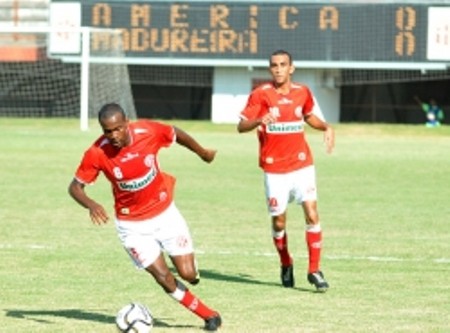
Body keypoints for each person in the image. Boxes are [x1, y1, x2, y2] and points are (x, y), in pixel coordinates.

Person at [68, 103, 222, 331]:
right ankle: (208, 315)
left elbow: (175, 132)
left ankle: (191, 270)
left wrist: (202, 152)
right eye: (107, 131)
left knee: (188, 274)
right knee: (162, 277)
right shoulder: (96, 153)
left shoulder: (148, 131)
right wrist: (90, 204)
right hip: (131, 226)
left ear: (127, 123)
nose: (113, 136)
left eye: (117, 129)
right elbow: (75, 187)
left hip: (165, 214)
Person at [237, 49, 335, 292]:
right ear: (270, 69)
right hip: (274, 169)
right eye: (274, 65)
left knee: (312, 214)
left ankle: (314, 270)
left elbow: (309, 116)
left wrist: (326, 127)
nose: (278, 69)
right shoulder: (261, 95)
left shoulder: (303, 92)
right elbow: (241, 126)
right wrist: (259, 121)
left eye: (283, 64)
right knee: (279, 222)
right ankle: (286, 262)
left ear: (292, 68)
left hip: (302, 164)